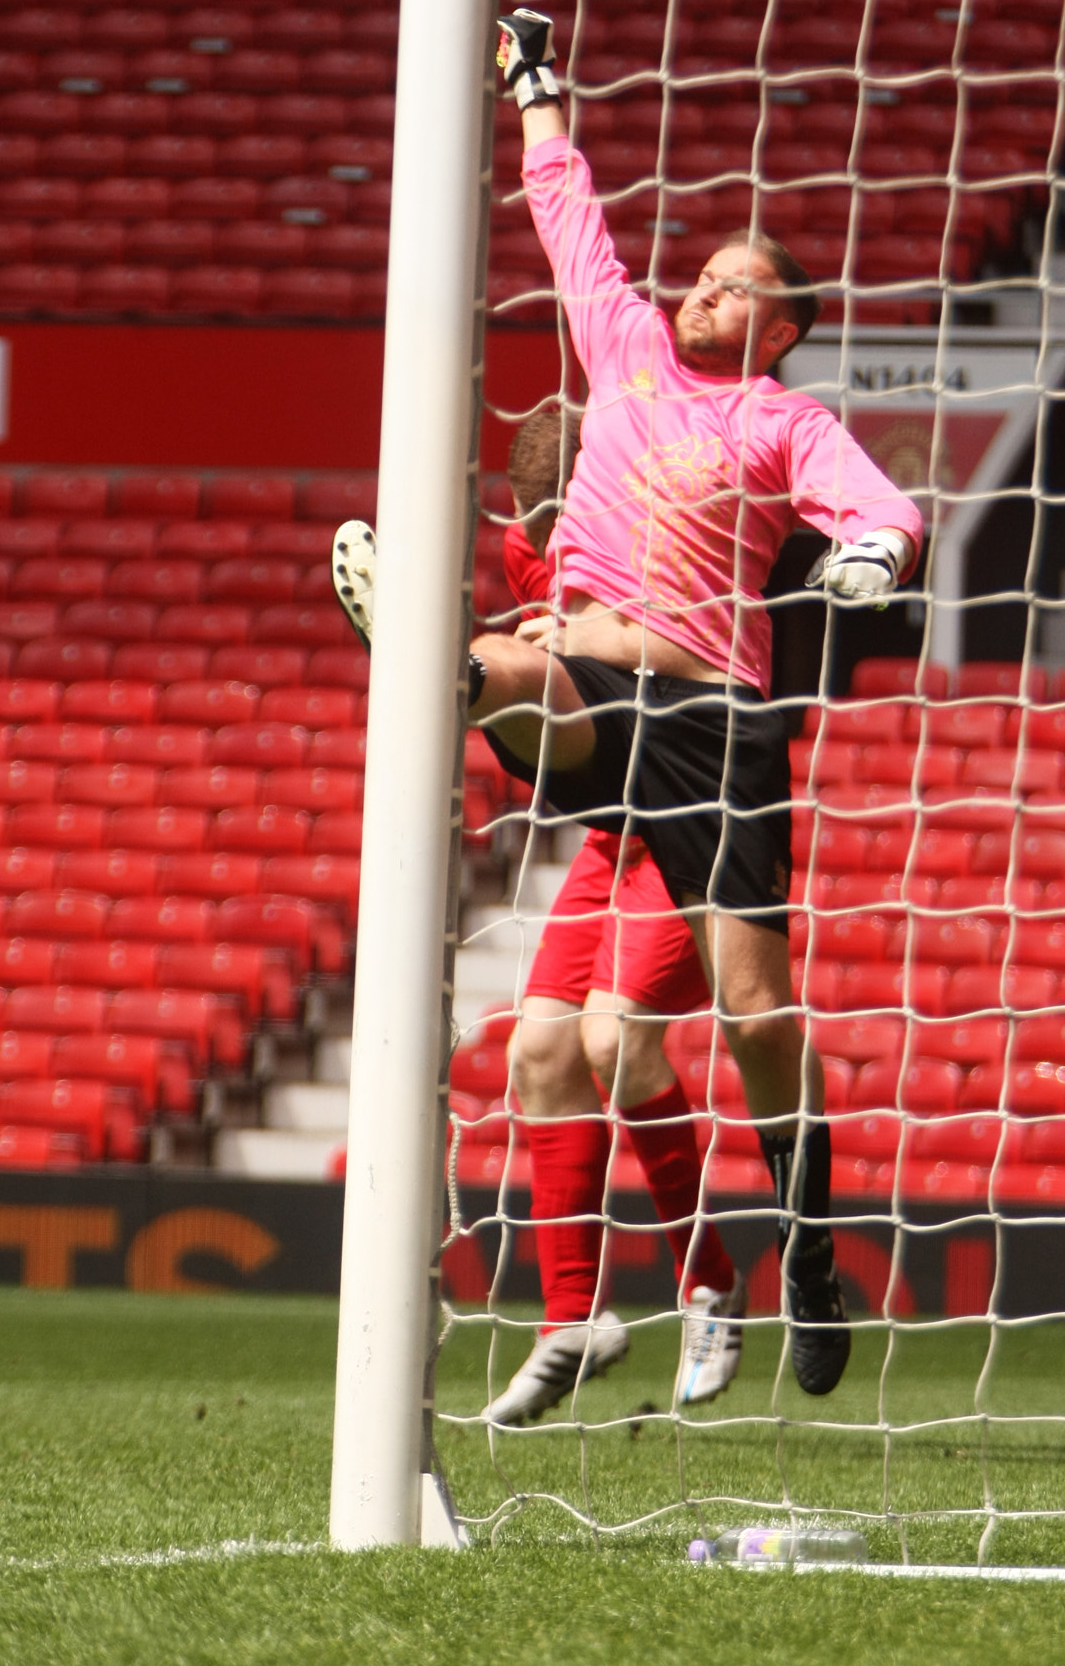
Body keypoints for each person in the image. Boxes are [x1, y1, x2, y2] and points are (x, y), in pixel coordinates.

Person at [461, 8, 925, 1398]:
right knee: (478, 664)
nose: (702, 292)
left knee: (755, 1011)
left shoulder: (785, 423)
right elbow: (564, 207)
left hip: (715, 727)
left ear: (777, 324)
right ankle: (441, 660)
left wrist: (862, 556)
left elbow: (884, 509)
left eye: (733, 287)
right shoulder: (624, 352)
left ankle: (806, 1252)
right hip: (592, 675)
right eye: (704, 277)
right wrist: (534, 86)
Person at [333, 408, 751, 1426]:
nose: (550, 538)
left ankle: (712, 1287)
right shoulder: (532, 546)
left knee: (613, 1034)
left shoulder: (680, 542)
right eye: (538, 523)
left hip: (711, 816)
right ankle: (574, 1320)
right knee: (540, 1056)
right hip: (620, 826)